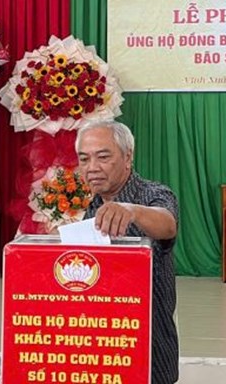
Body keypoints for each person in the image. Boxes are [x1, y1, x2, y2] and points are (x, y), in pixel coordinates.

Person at [76, 120, 179, 384]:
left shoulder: (154, 194)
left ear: (128, 157)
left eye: (103, 157)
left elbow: (167, 224)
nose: (92, 168)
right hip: (104, 347)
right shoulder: (93, 205)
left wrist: (131, 210)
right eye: (84, 159)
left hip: (150, 346)